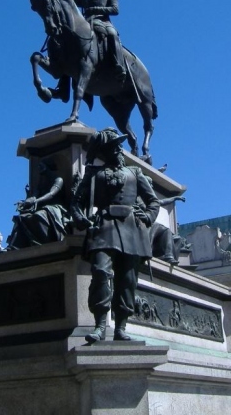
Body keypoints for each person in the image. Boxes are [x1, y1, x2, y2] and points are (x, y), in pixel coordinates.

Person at [71, 128, 160, 343]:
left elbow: (153, 201)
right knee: (101, 272)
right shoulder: (93, 175)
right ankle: (100, 325)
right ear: (106, 151)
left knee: (127, 280)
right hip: (104, 228)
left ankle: (121, 326)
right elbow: (76, 203)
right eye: (114, 146)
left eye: (120, 145)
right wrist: (80, 219)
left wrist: (147, 217)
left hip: (132, 230)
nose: (119, 149)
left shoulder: (135, 173)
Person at [74, 0, 127, 80]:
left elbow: (115, 10)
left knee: (112, 34)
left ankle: (119, 64)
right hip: (87, 22)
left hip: (103, 22)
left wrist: (95, 9)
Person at [6, 161, 69, 250]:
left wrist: (36, 201)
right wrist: (26, 202)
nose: (38, 168)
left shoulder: (58, 180)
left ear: (47, 167)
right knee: (21, 218)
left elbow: (51, 194)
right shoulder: (42, 182)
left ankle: (47, 240)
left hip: (55, 207)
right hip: (41, 207)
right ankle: (14, 246)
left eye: (41, 166)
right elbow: (34, 196)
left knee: (39, 215)